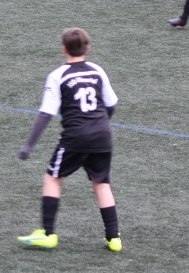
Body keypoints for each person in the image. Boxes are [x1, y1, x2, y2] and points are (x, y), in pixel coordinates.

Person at [16, 27, 122, 253]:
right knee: (101, 183)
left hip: (75, 137)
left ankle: (48, 234)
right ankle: (114, 238)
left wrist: (29, 145)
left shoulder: (58, 75)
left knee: (52, 179)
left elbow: (46, 113)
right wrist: (101, 124)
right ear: (87, 48)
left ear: (63, 49)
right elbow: (111, 103)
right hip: (103, 135)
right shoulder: (97, 70)